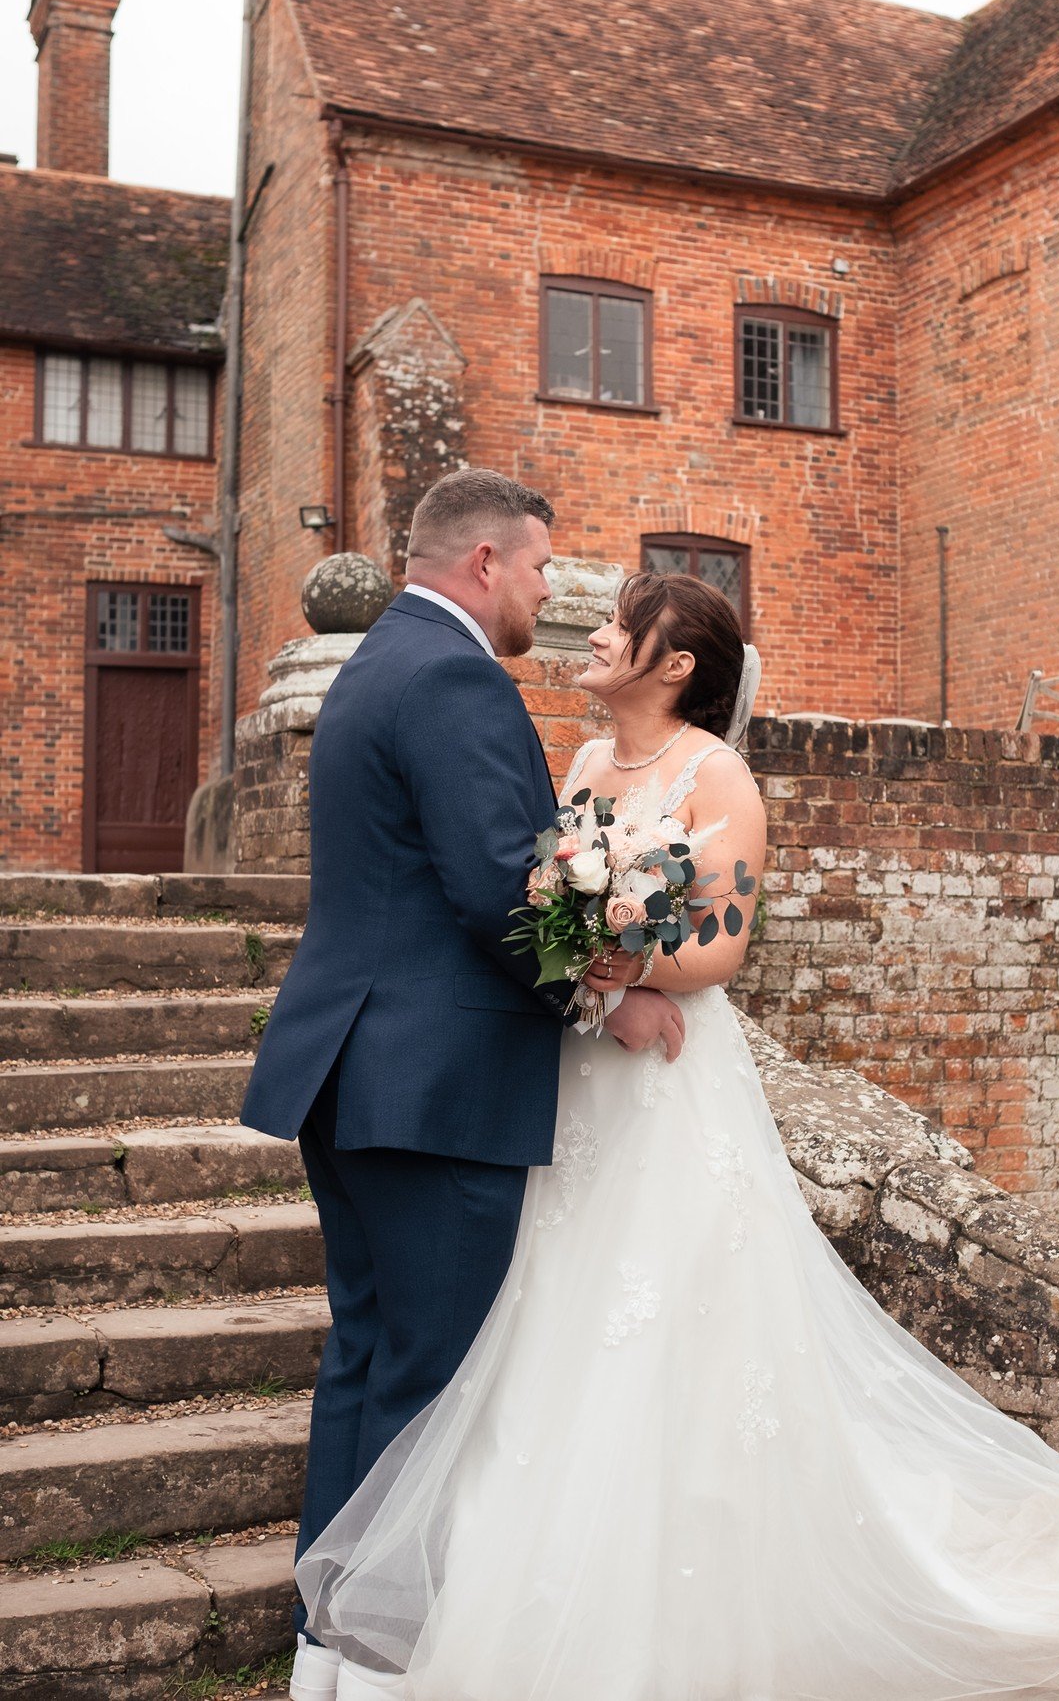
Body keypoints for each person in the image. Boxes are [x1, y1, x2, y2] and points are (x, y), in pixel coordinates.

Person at [294, 568, 1059, 1701]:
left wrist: (609, 957)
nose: (593, 632)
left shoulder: (717, 775)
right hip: (576, 1071)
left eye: (620, 624)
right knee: (542, 1324)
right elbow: (523, 896)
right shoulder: (583, 766)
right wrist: (581, 964)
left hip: (663, 1079)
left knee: (665, 1319)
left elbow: (720, 949)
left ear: (675, 663)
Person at [238, 468, 685, 1701]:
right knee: (430, 1384)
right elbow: (504, 887)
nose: (549, 593)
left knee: (370, 1362)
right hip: (431, 1084)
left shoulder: (375, 663)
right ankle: (386, 1666)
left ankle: (326, 1652)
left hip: (355, 1068)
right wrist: (608, 993)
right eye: (543, 568)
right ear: (484, 562)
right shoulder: (453, 677)